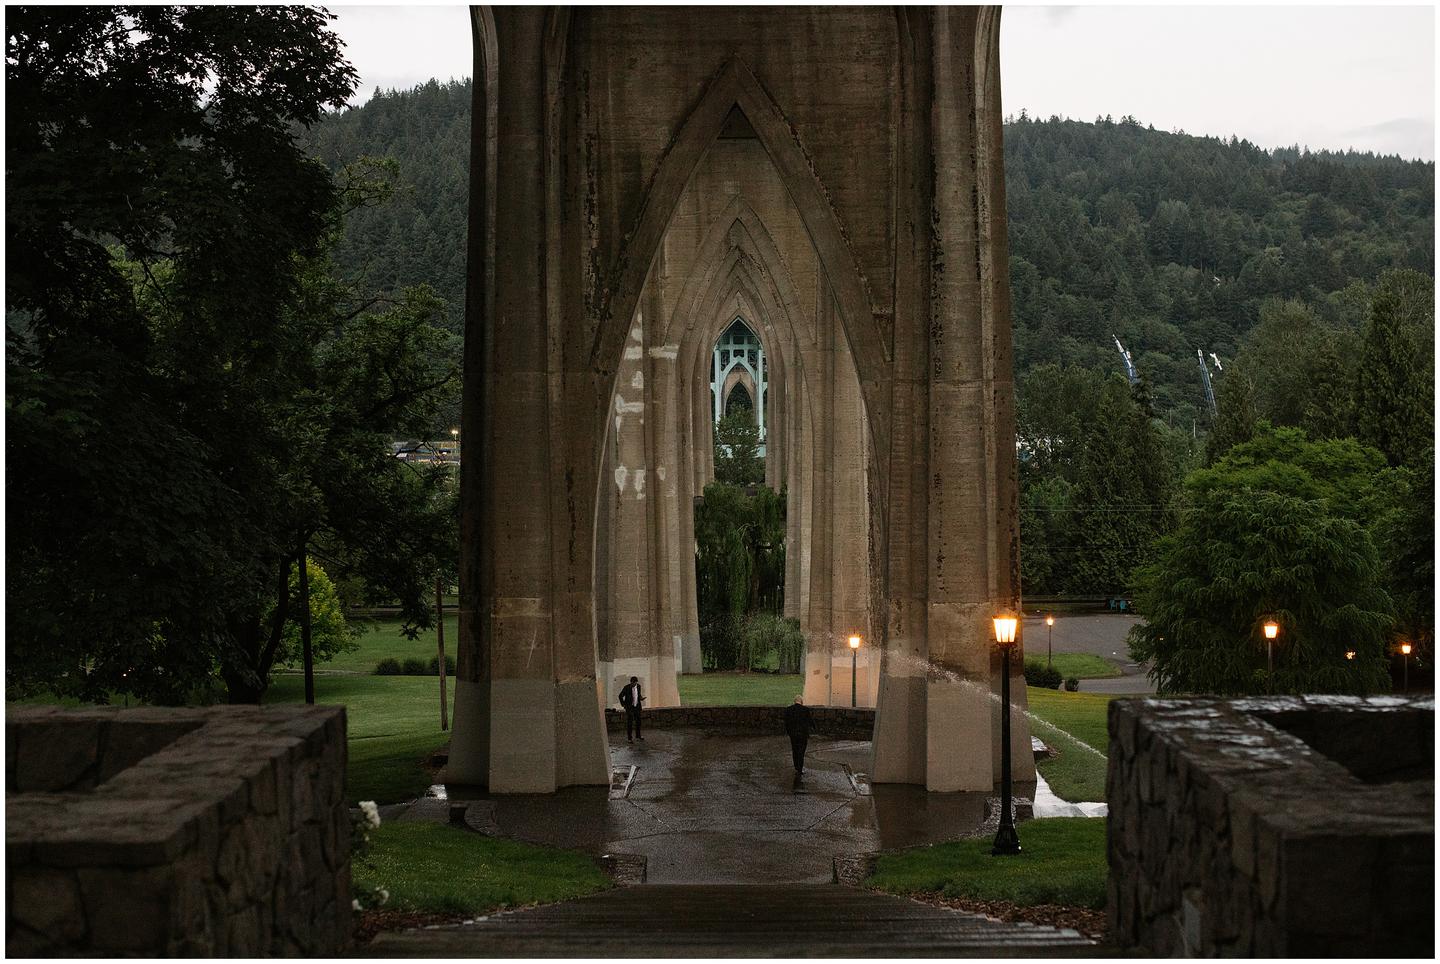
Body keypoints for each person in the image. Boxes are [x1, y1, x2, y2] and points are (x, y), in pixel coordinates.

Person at [783, 694, 811, 773]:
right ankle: (800, 768)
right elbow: (810, 721)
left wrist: (789, 732)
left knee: (795, 750)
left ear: (794, 701)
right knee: (801, 751)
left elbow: (786, 722)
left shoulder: (789, 709)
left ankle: (796, 766)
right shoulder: (806, 710)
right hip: (803, 734)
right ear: (801, 702)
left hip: (793, 734)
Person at [618, 676, 645, 743]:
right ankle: (629, 738)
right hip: (629, 707)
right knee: (630, 722)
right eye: (633, 683)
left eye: (635, 683)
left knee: (638, 722)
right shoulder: (626, 687)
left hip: (637, 707)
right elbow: (620, 695)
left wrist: (641, 698)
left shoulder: (639, 686)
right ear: (631, 682)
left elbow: (638, 694)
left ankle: (638, 735)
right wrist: (623, 704)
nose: (634, 684)